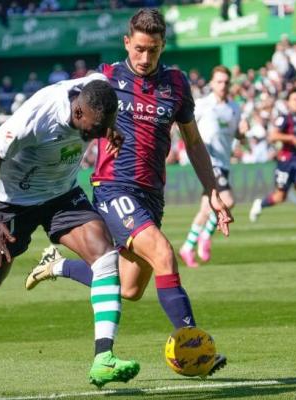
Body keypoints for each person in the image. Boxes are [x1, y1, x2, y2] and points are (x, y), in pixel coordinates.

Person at [25, 8, 231, 377]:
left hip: (152, 194)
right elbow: (66, 114)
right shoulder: (105, 79)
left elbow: (194, 142)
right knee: (165, 254)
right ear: (126, 43)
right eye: (138, 49)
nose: (145, 57)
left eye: (153, 50)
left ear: (163, 45)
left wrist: (212, 189)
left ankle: (55, 266)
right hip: (113, 188)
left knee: (129, 288)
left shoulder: (177, 84)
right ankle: (195, 346)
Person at [0, 75, 139, 388]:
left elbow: (102, 111)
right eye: (95, 129)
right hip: (14, 201)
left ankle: (103, 358)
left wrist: (111, 128)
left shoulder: (96, 91)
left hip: (62, 195)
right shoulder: (37, 116)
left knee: (106, 257)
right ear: (78, 114)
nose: (97, 136)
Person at [179, 65, 244, 268]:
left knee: (207, 208)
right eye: (219, 81)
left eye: (226, 82)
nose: (223, 85)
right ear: (211, 83)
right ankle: (205, 237)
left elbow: (236, 135)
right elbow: (183, 124)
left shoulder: (234, 108)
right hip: (209, 162)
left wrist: (243, 133)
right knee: (227, 200)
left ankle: (187, 247)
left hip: (224, 162)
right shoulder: (202, 104)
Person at [249, 88, 296, 238]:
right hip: (286, 162)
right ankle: (260, 204)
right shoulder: (284, 118)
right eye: (294, 99)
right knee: (280, 197)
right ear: (288, 102)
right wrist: (290, 138)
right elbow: (273, 136)